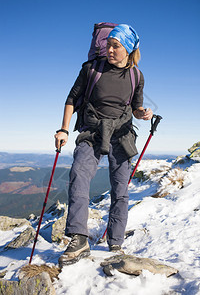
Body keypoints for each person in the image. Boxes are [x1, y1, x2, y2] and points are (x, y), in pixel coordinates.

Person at [54, 24, 153, 267]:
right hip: (92, 131)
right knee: (79, 174)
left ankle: (115, 240)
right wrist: (64, 129)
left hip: (121, 133)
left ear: (128, 49)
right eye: (108, 44)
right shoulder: (91, 69)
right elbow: (72, 99)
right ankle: (79, 239)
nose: (109, 49)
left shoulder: (136, 76)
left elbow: (135, 107)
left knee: (120, 188)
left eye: (115, 46)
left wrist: (143, 113)